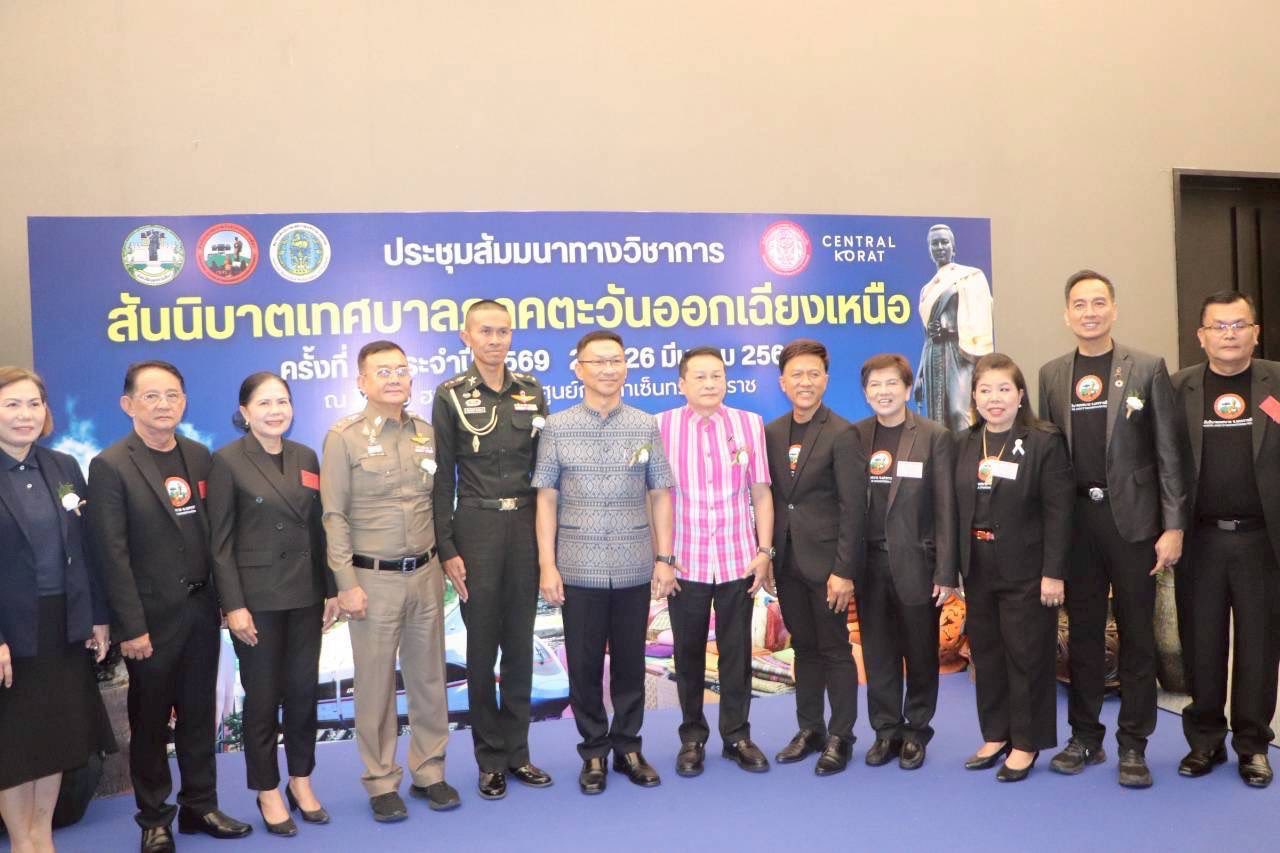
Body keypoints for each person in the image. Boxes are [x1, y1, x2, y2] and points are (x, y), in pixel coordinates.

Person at [87, 361, 251, 852]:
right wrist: (131, 627)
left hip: (201, 611)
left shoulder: (200, 457)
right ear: (128, 404)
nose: (164, 405)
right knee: (151, 722)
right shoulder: (111, 465)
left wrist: (226, 603)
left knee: (200, 715)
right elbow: (111, 555)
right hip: (150, 621)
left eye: (173, 395)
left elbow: (216, 538)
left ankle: (200, 806)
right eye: (152, 396)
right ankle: (154, 818)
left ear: (184, 401)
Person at [1037, 269, 1188, 787]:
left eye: (1098, 302)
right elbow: (1049, 456)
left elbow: (1170, 454)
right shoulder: (1052, 374)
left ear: (1114, 309)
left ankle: (1133, 743)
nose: (1090, 312)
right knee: (1082, 635)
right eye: (1079, 304)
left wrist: (1173, 526)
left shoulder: (1146, 367)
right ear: (1067, 314)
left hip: (1134, 523)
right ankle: (1085, 737)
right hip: (1077, 523)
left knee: (1137, 635)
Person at [319, 340, 459, 821]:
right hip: (371, 579)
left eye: (401, 369)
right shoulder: (344, 437)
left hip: (425, 573)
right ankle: (380, 780)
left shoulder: (425, 433)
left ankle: (430, 771)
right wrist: (345, 582)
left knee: (429, 679)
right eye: (383, 371)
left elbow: (437, 502)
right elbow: (334, 516)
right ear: (361, 381)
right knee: (376, 685)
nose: (395, 378)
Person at [533, 330, 675, 795]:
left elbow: (660, 493)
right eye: (598, 361)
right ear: (578, 369)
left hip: (634, 564)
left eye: (616, 360)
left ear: (626, 367)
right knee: (585, 665)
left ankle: (629, 748)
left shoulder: (644, 424)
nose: (608, 369)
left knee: (631, 663)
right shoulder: (557, 426)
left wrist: (664, 558)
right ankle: (593, 751)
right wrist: (547, 564)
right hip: (577, 567)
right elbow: (546, 498)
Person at [206, 372, 340, 836]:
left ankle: (301, 780)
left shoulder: (305, 456)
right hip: (257, 601)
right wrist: (233, 605)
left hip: (305, 594)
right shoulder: (226, 461)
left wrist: (330, 589)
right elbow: (220, 543)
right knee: (262, 699)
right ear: (245, 412)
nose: (275, 410)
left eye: (282, 401)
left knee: (303, 694)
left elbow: (318, 528)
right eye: (264, 403)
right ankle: (266, 789)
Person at [432, 300, 553, 800]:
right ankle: (489, 759)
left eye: (503, 331)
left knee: (521, 646)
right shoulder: (451, 395)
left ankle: (518, 753)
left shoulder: (531, 390)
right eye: (485, 331)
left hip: (524, 525)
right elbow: (442, 477)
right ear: (466, 336)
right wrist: (446, 546)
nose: (495, 340)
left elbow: (546, 473)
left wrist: (548, 544)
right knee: (481, 651)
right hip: (476, 526)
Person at [0, 367, 116, 853]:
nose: (24, 414)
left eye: (34, 403)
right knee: (15, 747)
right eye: (12, 404)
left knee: (56, 740)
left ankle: (42, 837)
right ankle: (21, 841)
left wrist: (98, 615)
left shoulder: (63, 465)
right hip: (10, 633)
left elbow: (86, 548)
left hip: (63, 626)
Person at [1172, 291, 1280, 788]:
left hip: (1262, 541)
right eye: (1219, 326)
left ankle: (1253, 744)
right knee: (1201, 643)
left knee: (1259, 646)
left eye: (1239, 325)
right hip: (1201, 540)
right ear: (1201, 336)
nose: (1229, 334)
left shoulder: (1276, 382)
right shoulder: (1179, 388)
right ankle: (1205, 741)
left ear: (1256, 332)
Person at [655, 346, 774, 778]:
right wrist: (662, 558)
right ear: (682, 383)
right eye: (700, 377)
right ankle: (692, 738)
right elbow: (657, 496)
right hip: (684, 561)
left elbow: (761, 492)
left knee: (736, 652)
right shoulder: (661, 425)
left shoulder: (749, 423)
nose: (709, 384)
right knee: (687, 653)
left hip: (738, 559)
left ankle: (737, 736)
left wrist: (764, 552)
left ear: (726, 380)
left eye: (717, 376)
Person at [956, 353, 1073, 782]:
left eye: (1004, 389)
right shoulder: (964, 443)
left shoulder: (1043, 441)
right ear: (974, 397)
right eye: (985, 390)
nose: (995, 398)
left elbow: (1059, 512)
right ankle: (996, 733)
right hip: (978, 565)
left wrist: (1053, 572)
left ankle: (1026, 742)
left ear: (1020, 394)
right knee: (986, 655)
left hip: (1028, 568)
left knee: (1027, 656)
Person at [764, 338, 865, 776]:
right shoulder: (772, 432)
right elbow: (773, 499)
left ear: (825, 380)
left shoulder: (843, 433)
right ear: (782, 382)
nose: (804, 382)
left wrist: (844, 570)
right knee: (803, 648)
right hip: (787, 563)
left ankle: (842, 736)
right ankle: (810, 729)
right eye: (796, 375)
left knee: (835, 649)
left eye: (813, 374)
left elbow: (853, 508)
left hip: (828, 567)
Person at [852, 353, 956, 771]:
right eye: (875, 385)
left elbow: (946, 508)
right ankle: (886, 731)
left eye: (892, 383)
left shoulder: (933, 436)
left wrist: (946, 570)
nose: (884, 392)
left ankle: (916, 730)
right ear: (865, 393)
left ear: (908, 389)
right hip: (868, 565)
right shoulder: (855, 436)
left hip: (918, 564)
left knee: (921, 652)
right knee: (878, 654)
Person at [914, 224, 994, 431]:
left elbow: (981, 317)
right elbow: (926, 337)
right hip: (933, 354)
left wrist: (951, 331)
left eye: (944, 242)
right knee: (937, 419)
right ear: (929, 249)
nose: (940, 247)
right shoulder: (926, 289)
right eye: (935, 243)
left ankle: (969, 450)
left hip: (961, 352)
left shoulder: (970, 277)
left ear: (953, 247)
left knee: (960, 412)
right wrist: (919, 374)